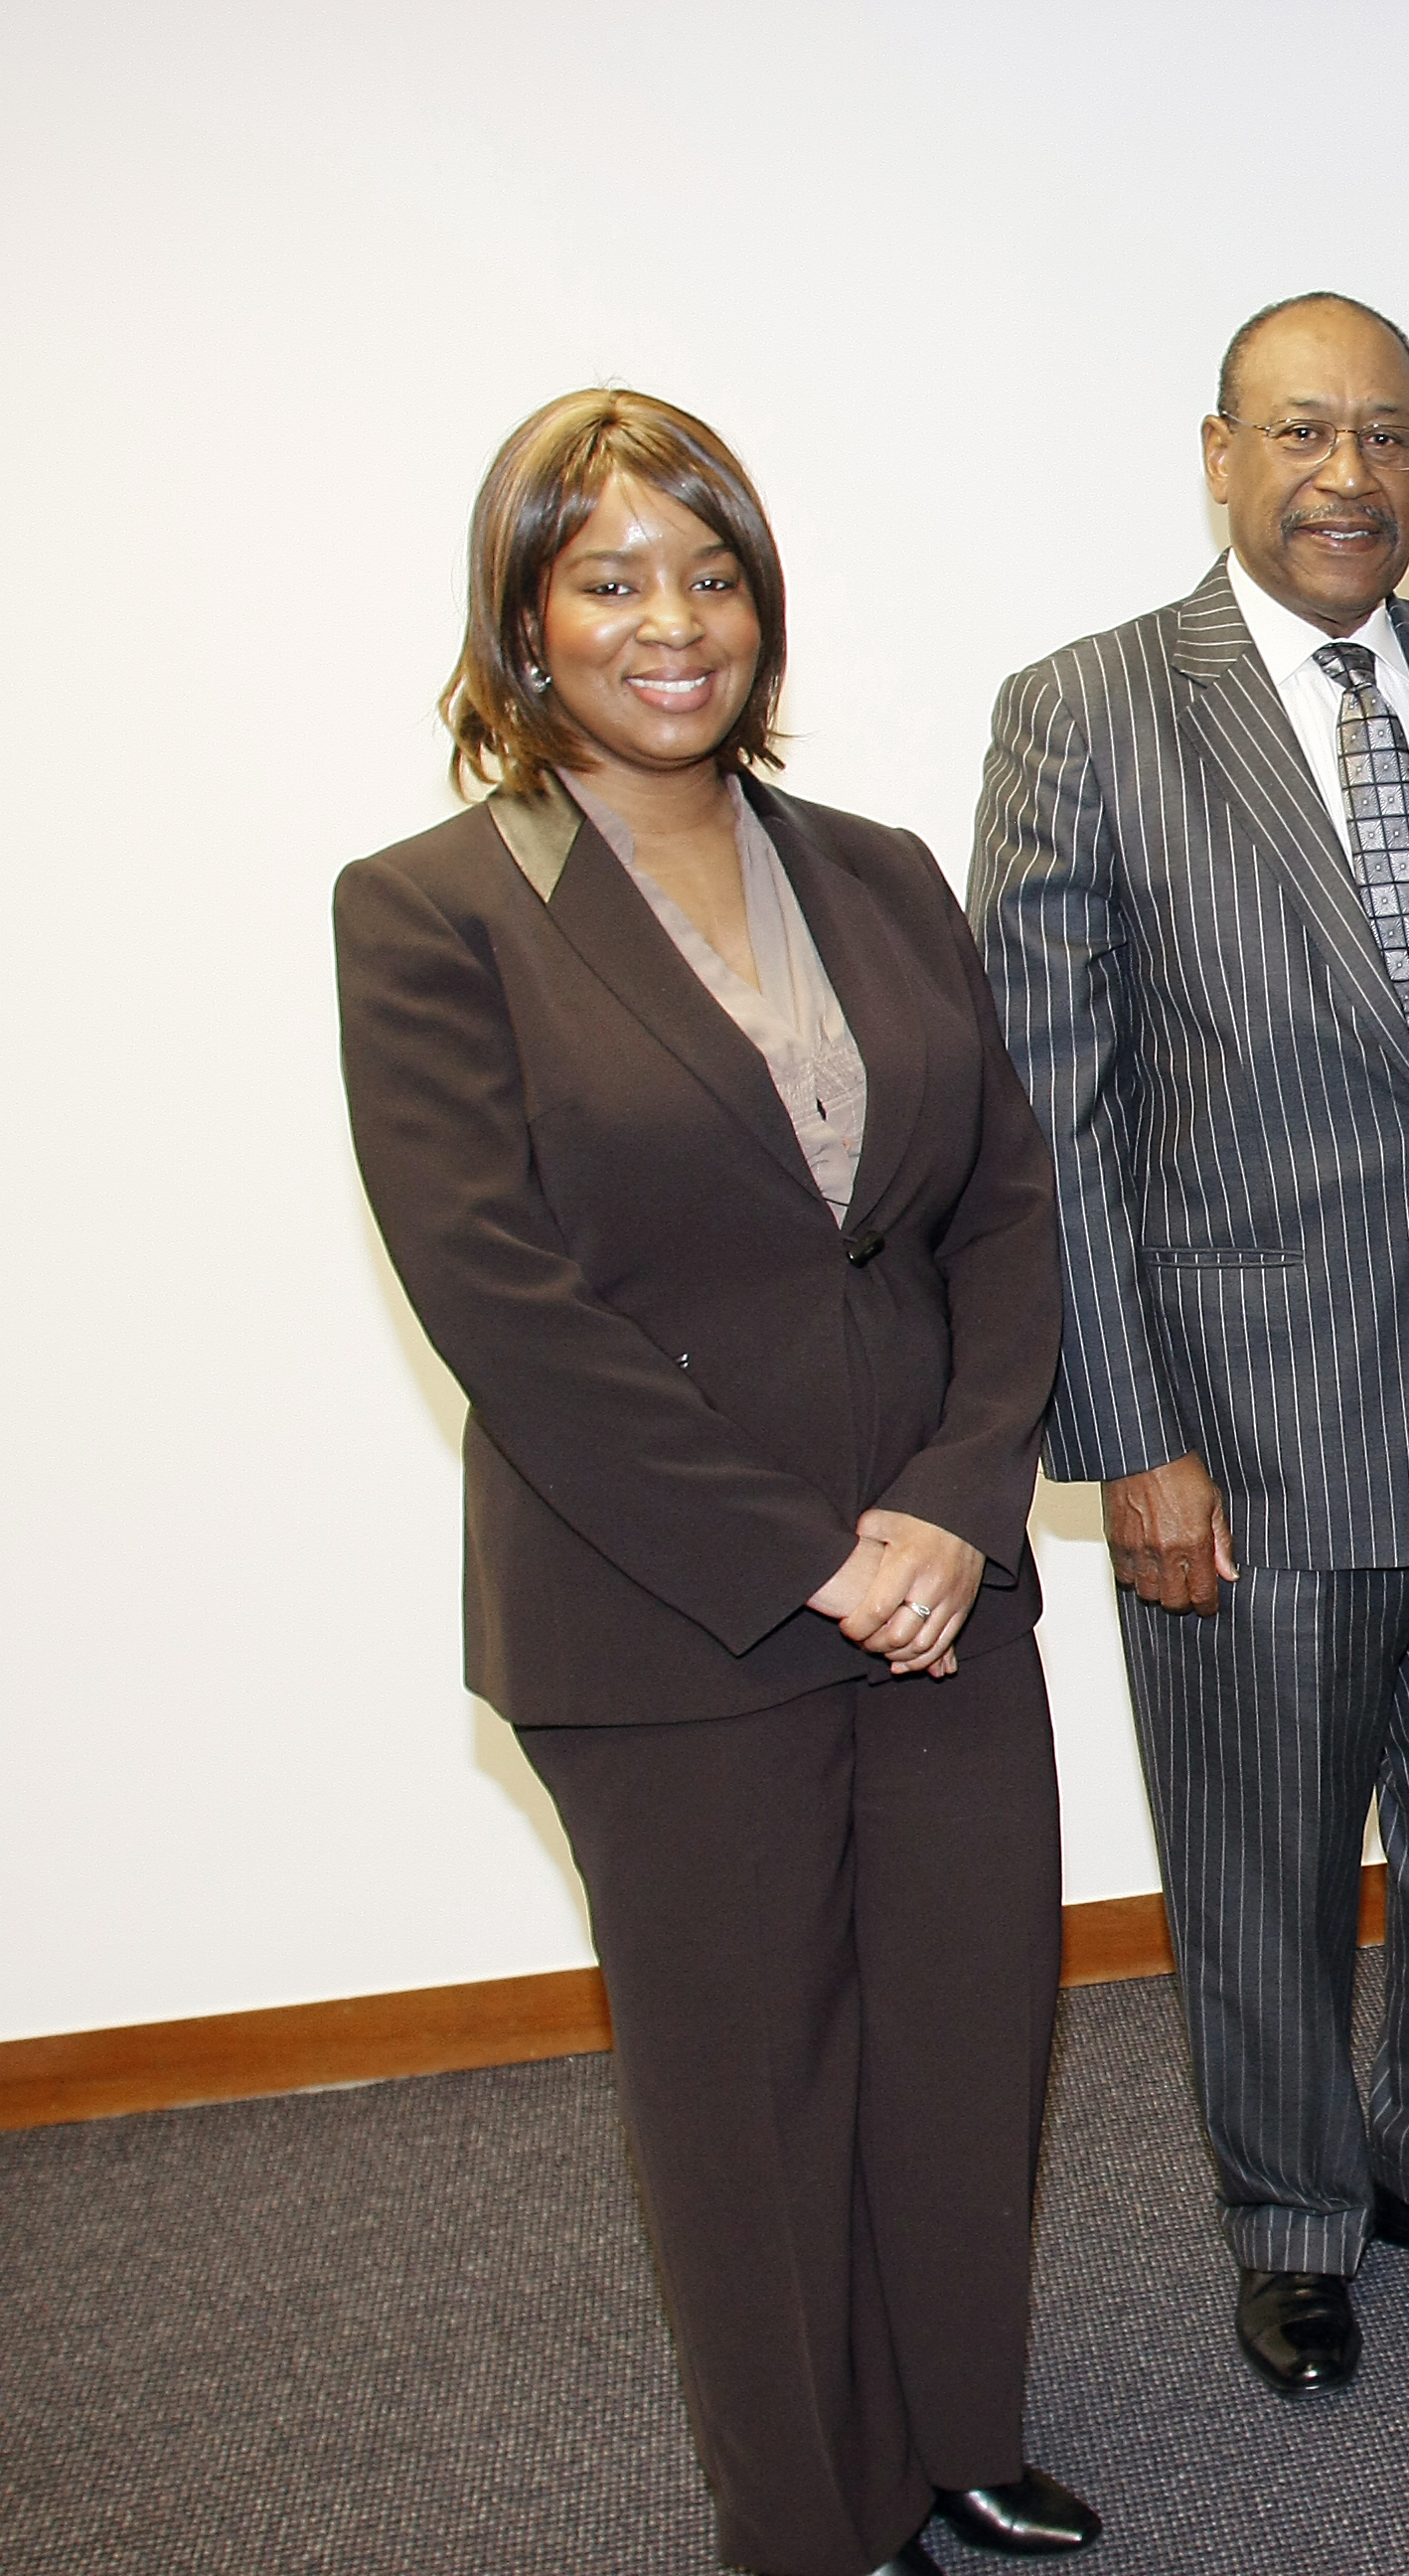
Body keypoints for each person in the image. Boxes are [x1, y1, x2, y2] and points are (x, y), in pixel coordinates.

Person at [334, 391, 1094, 2576]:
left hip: (949, 1580)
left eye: (713, 571)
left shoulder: (877, 869)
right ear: (524, 618)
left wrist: (954, 1505)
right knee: (751, 2098)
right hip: (664, 1614)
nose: (674, 622)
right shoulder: (430, 913)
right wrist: (807, 1561)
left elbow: (1001, 1214)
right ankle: (814, 2511)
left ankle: (957, 2432)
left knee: (965, 2037)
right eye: (611, 578)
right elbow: (508, 1308)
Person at [970, 293, 1409, 2400]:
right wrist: (1129, 1438)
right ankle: (1291, 2219)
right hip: (1249, 1438)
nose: (1349, 476)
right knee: (1262, 1862)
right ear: (1216, 452)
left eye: (1387, 437)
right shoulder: (1086, 712)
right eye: (1302, 433)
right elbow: (1048, 1107)